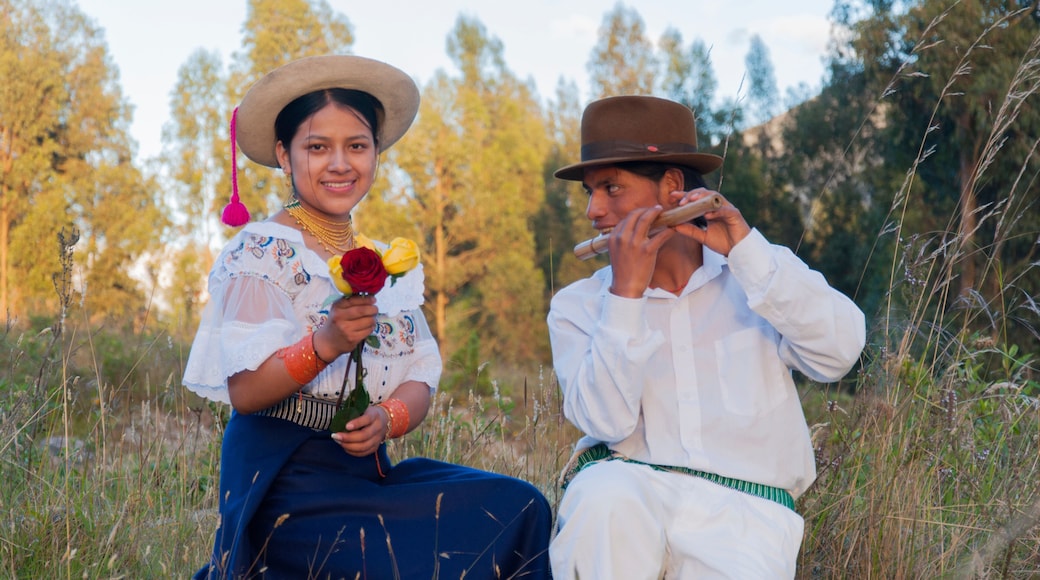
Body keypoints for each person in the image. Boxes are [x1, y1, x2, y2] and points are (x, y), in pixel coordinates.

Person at [183, 54, 552, 579]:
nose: (340, 164)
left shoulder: (388, 262)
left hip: (367, 473)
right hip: (285, 479)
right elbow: (245, 391)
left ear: (376, 154)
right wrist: (325, 343)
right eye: (317, 147)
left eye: (356, 146)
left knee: (521, 506)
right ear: (284, 156)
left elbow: (420, 373)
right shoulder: (261, 251)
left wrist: (387, 418)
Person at [546, 95, 866, 579]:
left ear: (673, 187)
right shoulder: (579, 305)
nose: (594, 210)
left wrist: (747, 252)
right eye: (589, 192)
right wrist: (626, 295)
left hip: (744, 517)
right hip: (628, 493)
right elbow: (605, 422)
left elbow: (839, 353)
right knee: (603, 497)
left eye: (611, 188)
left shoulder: (758, 272)